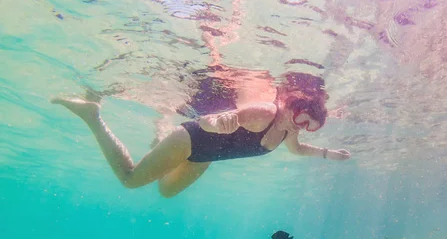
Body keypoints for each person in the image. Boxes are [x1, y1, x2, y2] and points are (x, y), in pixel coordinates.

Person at [51, 71, 350, 198]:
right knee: (131, 180)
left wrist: (328, 154)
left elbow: (296, 150)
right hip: (192, 138)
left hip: (206, 156)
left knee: (165, 192)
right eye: (301, 118)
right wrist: (214, 123)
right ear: (289, 106)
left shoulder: (288, 130)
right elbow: (215, 119)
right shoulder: (266, 112)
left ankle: (158, 137)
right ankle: (93, 116)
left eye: (311, 126)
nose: (302, 127)